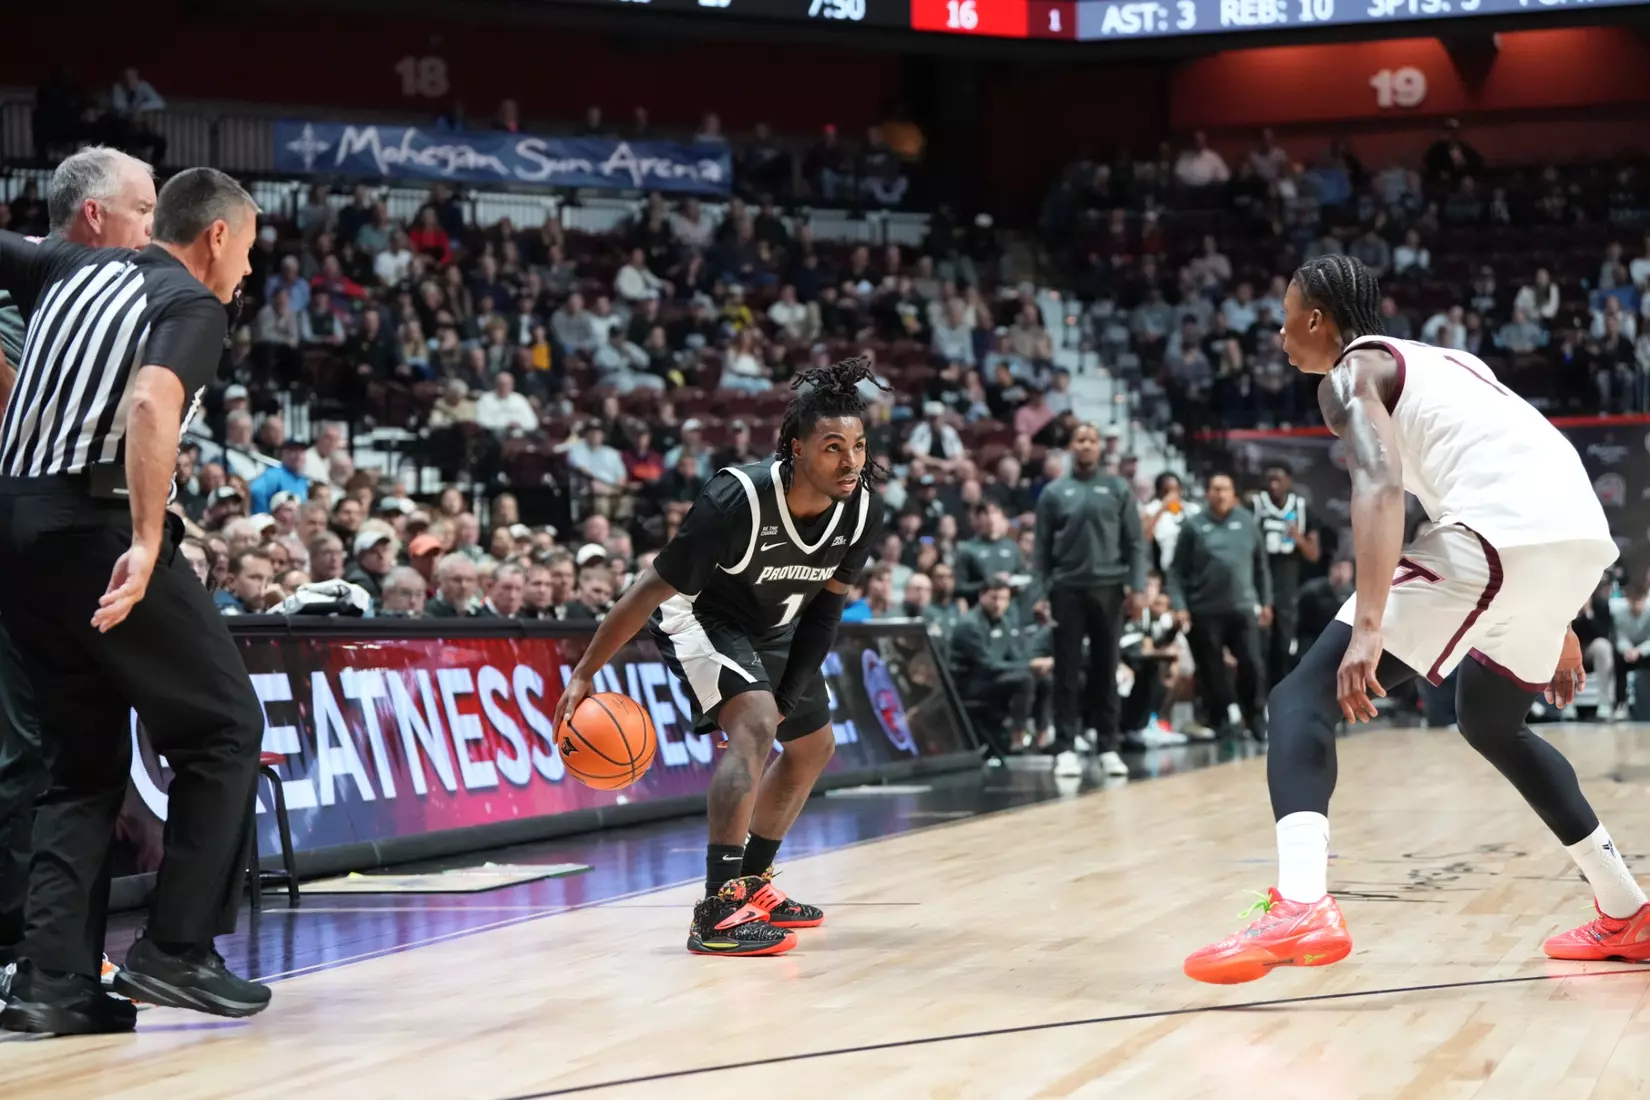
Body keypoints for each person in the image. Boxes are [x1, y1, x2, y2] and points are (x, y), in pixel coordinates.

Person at [1184, 254, 1648, 985]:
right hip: (1576, 540)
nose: (1278, 336)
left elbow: (1379, 484)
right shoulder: (1447, 364)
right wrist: (1558, 616)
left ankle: (1300, 904)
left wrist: (1370, 626)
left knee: (1300, 698)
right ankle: (1626, 908)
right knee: (1491, 720)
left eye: (1284, 319)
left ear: (1316, 319)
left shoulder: (1352, 372)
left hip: (1499, 535)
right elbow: (1519, 463)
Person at [0, 167, 272, 1032]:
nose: (248, 272)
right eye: (248, 251)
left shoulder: (66, 266)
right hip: (95, 526)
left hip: (14, 527)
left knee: (77, 766)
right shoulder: (190, 301)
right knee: (225, 728)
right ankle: (176, 950)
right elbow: (153, 399)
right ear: (217, 237)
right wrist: (150, 541)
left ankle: (50, 985)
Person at [554, 358, 886, 958]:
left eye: (858, 446)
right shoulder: (737, 499)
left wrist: (789, 698)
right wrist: (585, 671)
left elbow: (825, 613)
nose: (851, 462)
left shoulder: (861, 509)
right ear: (796, 448)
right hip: (700, 615)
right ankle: (716, 911)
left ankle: (752, 886)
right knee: (755, 726)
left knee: (814, 746)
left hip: (777, 624)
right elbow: (649, 589)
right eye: (833, 447)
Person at [0, 147, 157, 976]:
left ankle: (49, 953)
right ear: (94, 215)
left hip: (52, 526)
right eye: (143, 211)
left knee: (60, 745)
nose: (153, 232)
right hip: (29, 523)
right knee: (30, 746)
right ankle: (22, 949)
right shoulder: (38, 283)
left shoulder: (109, 296)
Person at [1034, 422, 1145, 779]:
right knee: (1066, 670)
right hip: (1066, 588)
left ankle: (1108, 746)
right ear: (1071, 447)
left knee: (1106, 669)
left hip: (1109, 589)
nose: (1086, 445)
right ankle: (1066, 746)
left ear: (1099, 448)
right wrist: (1039, 593)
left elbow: (1135, 543)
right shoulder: (1054, 492)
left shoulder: (1117, 488)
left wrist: (1138, 588)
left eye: (1092, 440)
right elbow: (1040, 549)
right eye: (1080, 440)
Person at [1169, 473, 1271, 740]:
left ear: (1233, 493)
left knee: (1252, 663)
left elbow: (1261, 566)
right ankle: (1221, 719)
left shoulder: (1247, 522)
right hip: (1204, 608)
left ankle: (1255, 716)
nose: (1220, 494)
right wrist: (1179, 605)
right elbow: (1176, 571)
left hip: (1242, 606)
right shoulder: (1193, 525)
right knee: (1212, 669)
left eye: (1225, 489)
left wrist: (1266, 601)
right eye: (1215, 489)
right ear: (1208, 493)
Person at [1252, 463, 1320, 688]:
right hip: (1257, 580)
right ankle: (1257, 695)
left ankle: (1279, 690)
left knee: (1282, 642)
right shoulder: (1254, 505)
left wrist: (1297, 537)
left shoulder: (1302, 509)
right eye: (1270, 480)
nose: (1273, 485)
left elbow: (1313, 554)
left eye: (1278, 480)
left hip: (1287, 582)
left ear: (1289, 481)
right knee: (1258, 642)